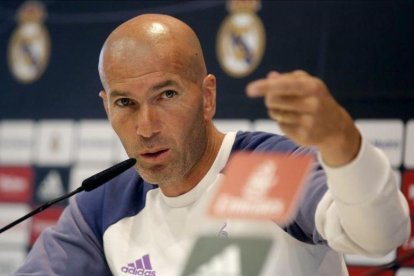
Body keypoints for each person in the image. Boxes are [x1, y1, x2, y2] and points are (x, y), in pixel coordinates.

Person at [16, 14, 409, 276]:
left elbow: (380, 236)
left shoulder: (259, 169)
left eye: (166, 94)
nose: (146, 126)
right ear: (106, 106)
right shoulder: (105, 204)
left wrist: (343, 143)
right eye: (125, 103)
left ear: (207, 97)